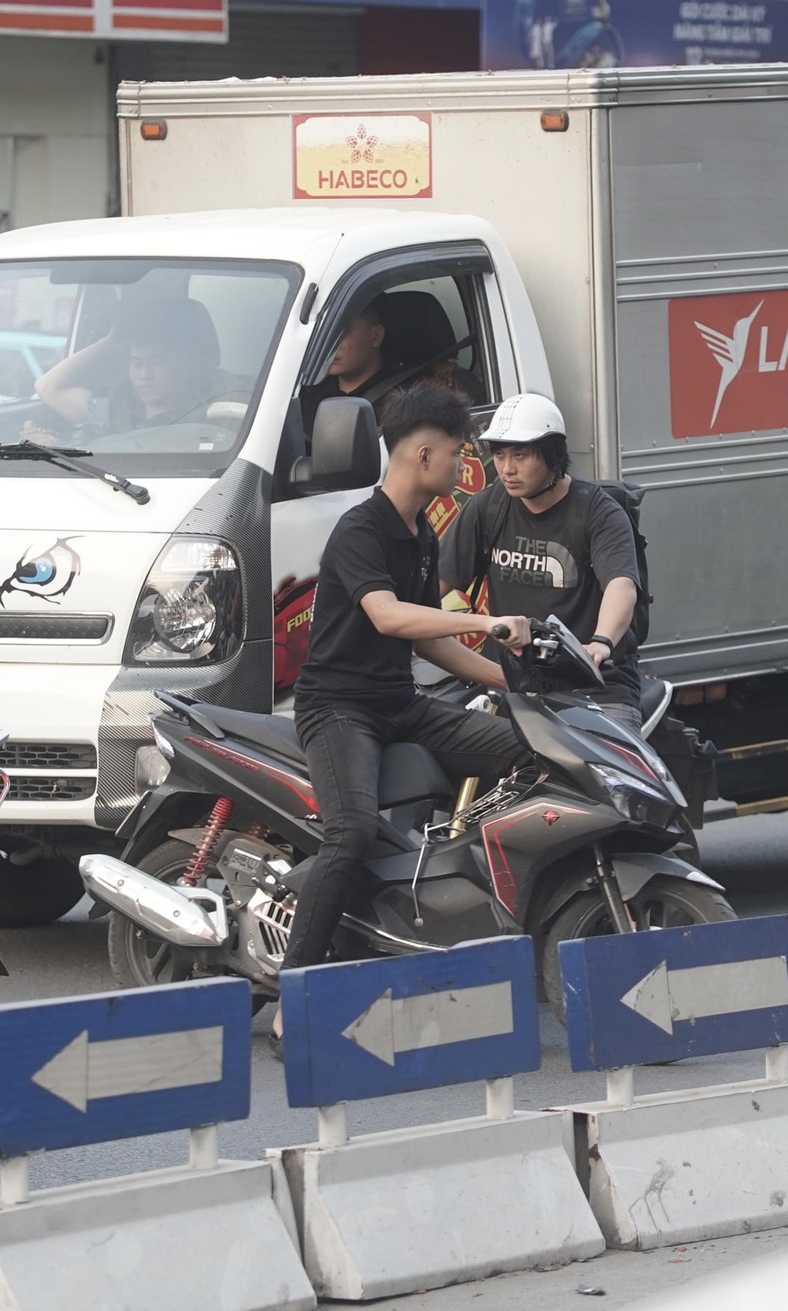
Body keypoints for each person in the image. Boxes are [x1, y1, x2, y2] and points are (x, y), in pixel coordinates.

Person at [272, 386, 534, 1036]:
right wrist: (489, 619)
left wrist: (515, 683)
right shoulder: (362, 528)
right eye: (457, 452)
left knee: (527, 752)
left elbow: (428, 640)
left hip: (401, 705)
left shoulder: (419, 533)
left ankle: (441, 907)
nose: (463, 464)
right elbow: (388, 616)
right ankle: (292, 999)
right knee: (351, 831)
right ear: (422, 453)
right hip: (339, 710)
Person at [440, 392, 646, 732]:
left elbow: (621, 586)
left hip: (597, 685)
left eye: (520, 455)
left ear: (554, 454)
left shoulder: (597, 511)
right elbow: (435, 582)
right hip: (511, 681)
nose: (507, 469)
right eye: (501, 455)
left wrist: (601, 643)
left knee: (608, 777)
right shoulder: (489, 507)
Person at [33, 297, 221, 435]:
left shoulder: (211, 413)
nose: (144, 374)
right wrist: (106, 344)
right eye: (136, 363)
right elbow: (47, 387)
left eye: (156, 362)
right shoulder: (113, 410)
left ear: (182, 365)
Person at [299, 299, 388, 430]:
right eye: (326, 333)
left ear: (376, 336)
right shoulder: (306, 393)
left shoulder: (400, 402)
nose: (330, 345)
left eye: (341, 333)